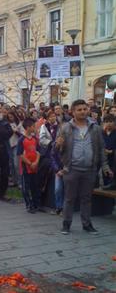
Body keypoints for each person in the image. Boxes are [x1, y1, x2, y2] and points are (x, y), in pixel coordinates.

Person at [56, 99, 113, 234]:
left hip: (89, 170)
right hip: (71, 169)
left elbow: (101, 149)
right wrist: (58, 144)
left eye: (84, 109)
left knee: (86, 199)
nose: (82, 112)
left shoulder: (95, 128)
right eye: (79, 109)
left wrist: (105, 167)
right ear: (73, 112)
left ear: (88, 110)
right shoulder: (65, 128)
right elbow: (57, 149)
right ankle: (66, 224)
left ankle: (86, 224)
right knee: (69, 199)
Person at [17, 118, 40, 213]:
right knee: (26, 187)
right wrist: (30, 163)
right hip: (26, 167)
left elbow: (38, 151)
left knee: (35, 186)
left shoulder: (35, 139)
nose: (35, 128)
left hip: (35, 167)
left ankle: (36, 204)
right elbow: (20, 154)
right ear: (28, 127)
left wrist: (36, 162)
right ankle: (28, 205)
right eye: (33, 126)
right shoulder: (21, 140)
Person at [102, 114, 116, 189]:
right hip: (104, 160)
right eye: (106, 121)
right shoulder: (101, 133)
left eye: (111, 121)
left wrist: (112, 151)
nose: (109, 123)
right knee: (105, 179)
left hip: (113, 159)